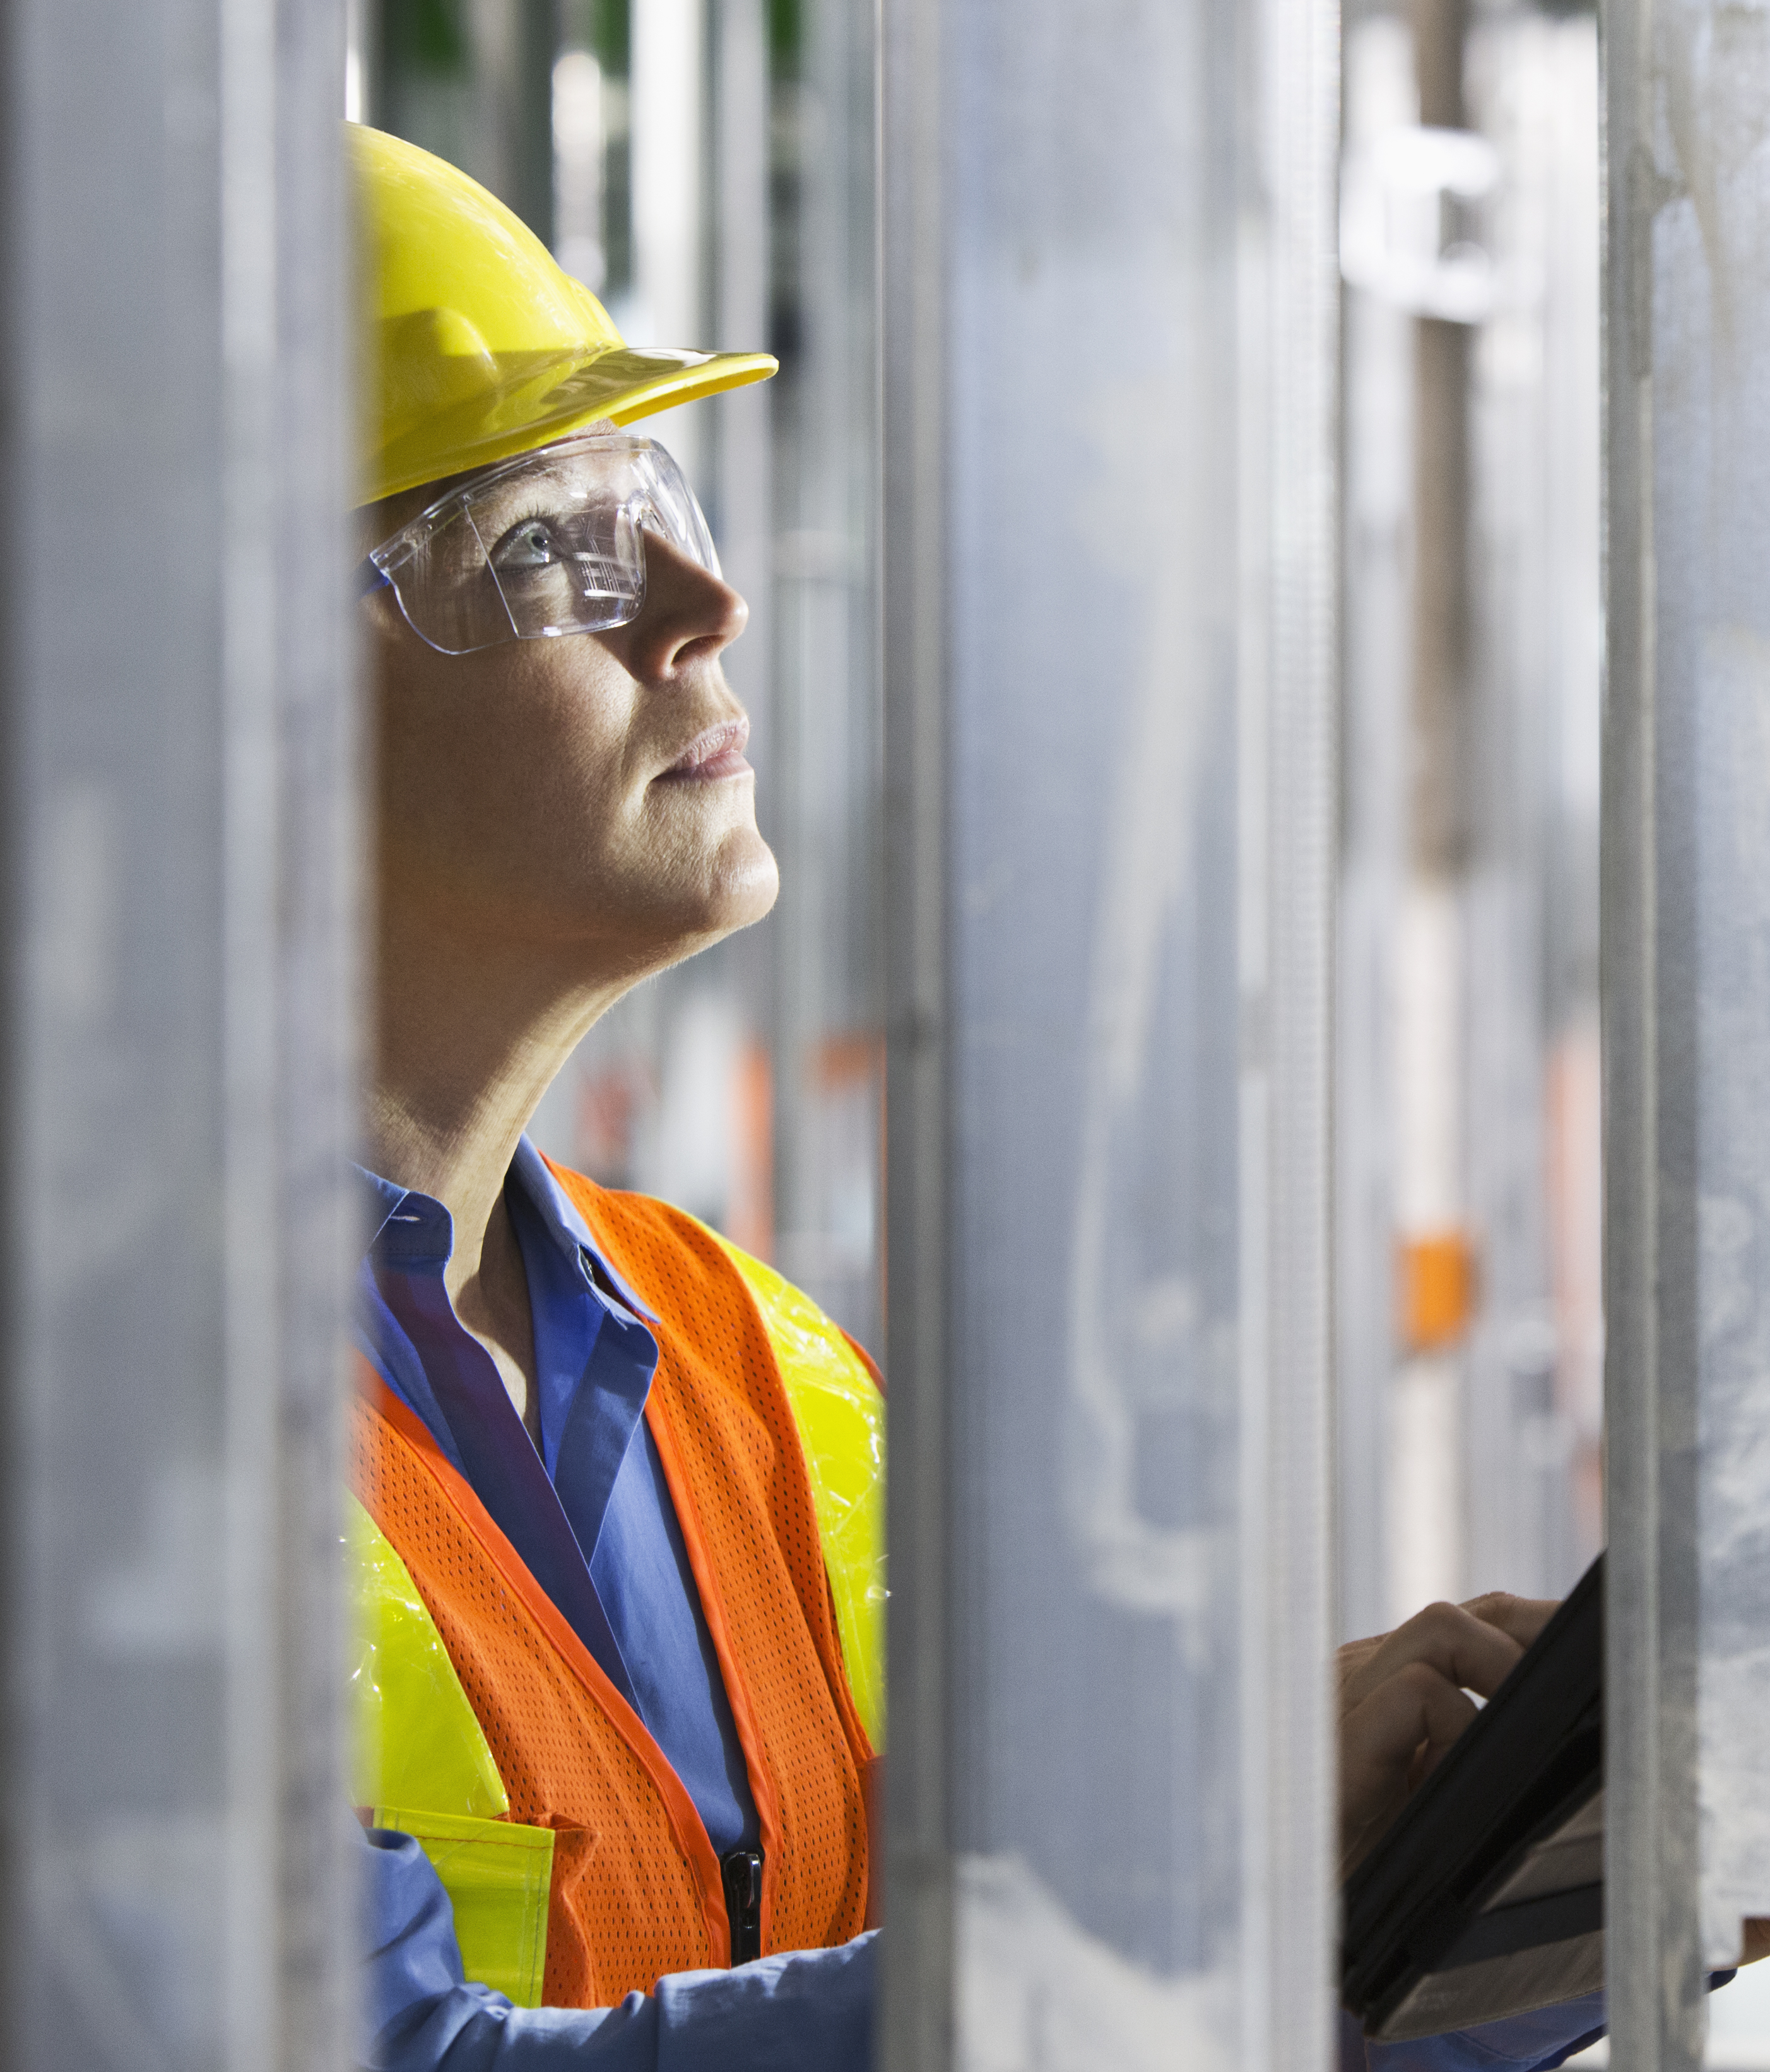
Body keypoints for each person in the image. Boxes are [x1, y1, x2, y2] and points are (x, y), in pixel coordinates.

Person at [342, 124, 1624, 2069]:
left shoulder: (758, 1375)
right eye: (542, 544)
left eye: (655, 501)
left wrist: (1493, 1880)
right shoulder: (31, 1460)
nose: (701, 600)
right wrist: (1195, 1919)